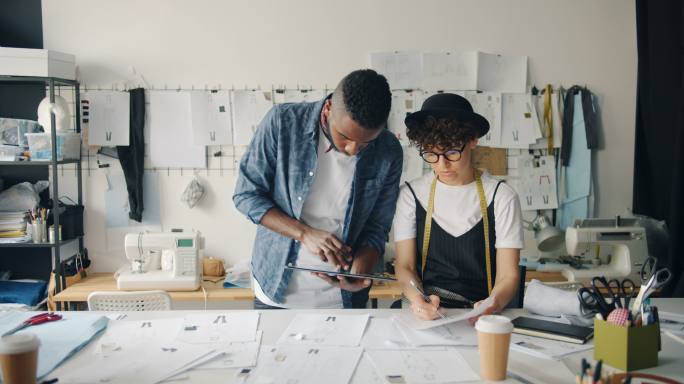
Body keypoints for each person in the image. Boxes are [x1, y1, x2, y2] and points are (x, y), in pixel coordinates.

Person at [233, 69, 403, 309]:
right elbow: (246, 196)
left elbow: (378, 225)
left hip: (344, 301)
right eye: (344, 137)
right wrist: (304, 233)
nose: (353, 149)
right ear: (328, 109)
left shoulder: (388, 150)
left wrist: (361, 268)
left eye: (366, 142)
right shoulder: (283, 123)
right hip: (275, 291)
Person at [392, 93, 523, 320]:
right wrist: (417, 299)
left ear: (472, 140)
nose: (442, 165)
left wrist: (493, 303)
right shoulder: (411, 196)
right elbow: (404, 266)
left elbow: (508, 276)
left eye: (452, 152)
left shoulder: (501, 197)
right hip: (429, 309)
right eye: (431, 154)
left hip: (480, 312)